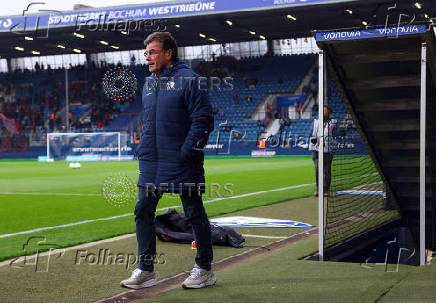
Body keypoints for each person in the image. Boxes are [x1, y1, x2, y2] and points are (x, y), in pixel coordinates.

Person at [120, 32, 215, 290]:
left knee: (194, 213)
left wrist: (187, 153)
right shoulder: (149, 83)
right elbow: (149, 122)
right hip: (152, 162)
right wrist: (143, 149)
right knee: (143, 210)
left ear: (168, 53)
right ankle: (146, 270)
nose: (146, 57)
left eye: (152, 52)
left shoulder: (190, 80)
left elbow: (204, 121)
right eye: (146, 52)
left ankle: (204, 268)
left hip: (183, 161)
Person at [308, 105, 337, 197]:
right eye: (322, 110)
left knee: (327, 170)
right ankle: (318, 188)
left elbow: (337, 133)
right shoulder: (315, 121)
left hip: (328, 149)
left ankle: (326, 189)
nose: (323, 111)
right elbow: (310, 132)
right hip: (315, 149)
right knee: (318, 169)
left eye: (325, 110)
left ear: (328, 112)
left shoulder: (333, 122)